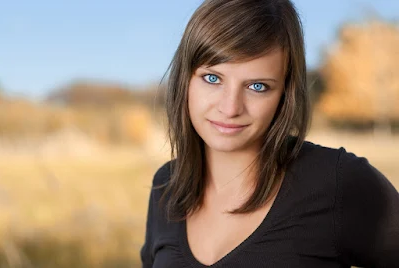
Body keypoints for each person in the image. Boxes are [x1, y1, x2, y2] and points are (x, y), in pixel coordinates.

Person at [140, 0, 399, 267]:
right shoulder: (167, 187)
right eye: (213, 78)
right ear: (185, 80)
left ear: (285, 94)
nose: (230, 108)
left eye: (257, 86)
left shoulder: (337, 183)